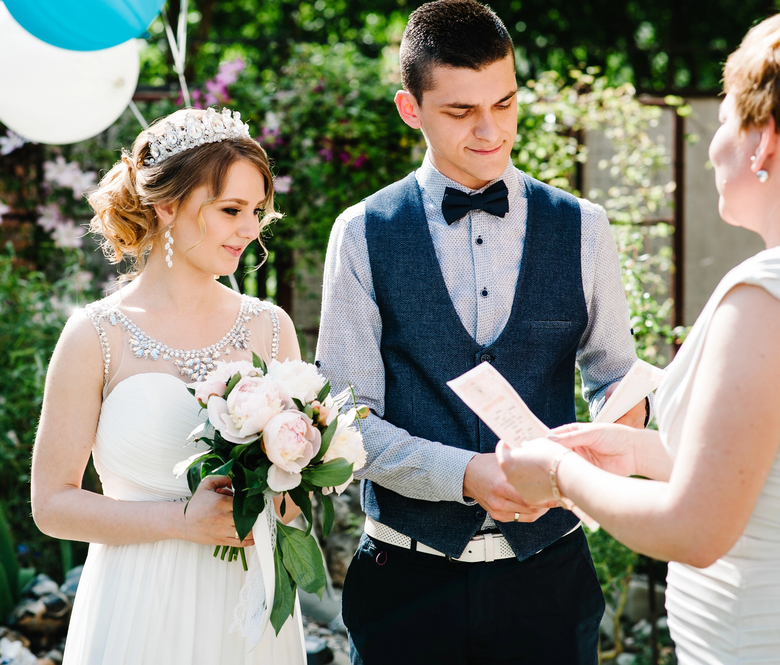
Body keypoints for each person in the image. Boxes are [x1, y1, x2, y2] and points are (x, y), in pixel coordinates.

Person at [315, 1, 648, 662]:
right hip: (405, 585)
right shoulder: (362, 232)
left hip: (550, 581)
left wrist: (601, 440)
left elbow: (619, 379)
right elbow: (345, 419)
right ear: (411, 108)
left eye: (505, 103)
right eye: (461, 112)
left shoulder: (584, 226)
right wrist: (466, 474)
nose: (491, 131)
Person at [499, 6, 780, 663]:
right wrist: (644, 453)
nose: (714, 144)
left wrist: (560, 473)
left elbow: (695, 527)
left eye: (726, 116)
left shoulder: (770, 296)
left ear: (763, 138)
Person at [30, 108, 306, 664]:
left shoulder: (271, 327)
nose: (251, 230)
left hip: (246, 605)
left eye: (256, 212)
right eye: (231, 210)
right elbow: (51, 505)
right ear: (167, 206)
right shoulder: (96, 335)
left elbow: (293, 498)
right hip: (137, 602)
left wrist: (281, 495)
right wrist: (180, 520)